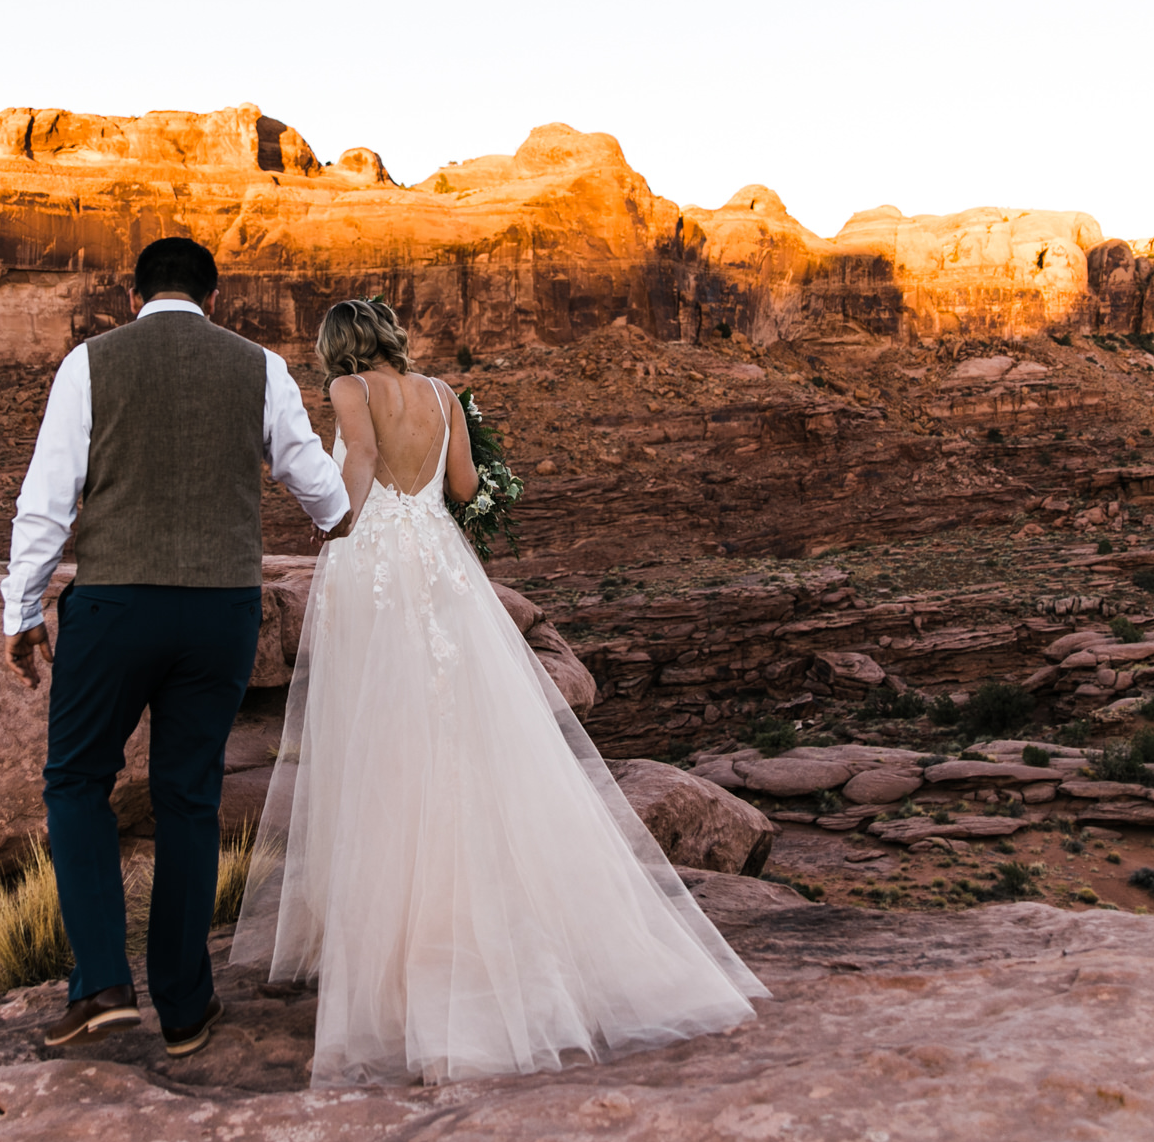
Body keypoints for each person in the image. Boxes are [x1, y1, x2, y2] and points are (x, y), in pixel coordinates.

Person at [232, 298, 765, 1086]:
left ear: (340, 346)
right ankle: (491, 924)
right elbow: (465, 481)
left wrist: (330, 528)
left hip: (375, 560)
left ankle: (403, 954)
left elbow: (360, 466)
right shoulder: (443, 394)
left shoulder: (350, 389)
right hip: (442, 561)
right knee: (465, 732)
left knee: (379, 738)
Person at [1, 237, 348, 1058]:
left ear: (133, 297)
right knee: (188, 797)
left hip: (117, 607)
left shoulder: (91, 363)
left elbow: (46, 501)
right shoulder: (259, 365)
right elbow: (324, 497)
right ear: (214, 299)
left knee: (78, 780)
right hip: (224, 611)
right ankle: (187, 1006)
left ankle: (102, 985)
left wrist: (21, 611)